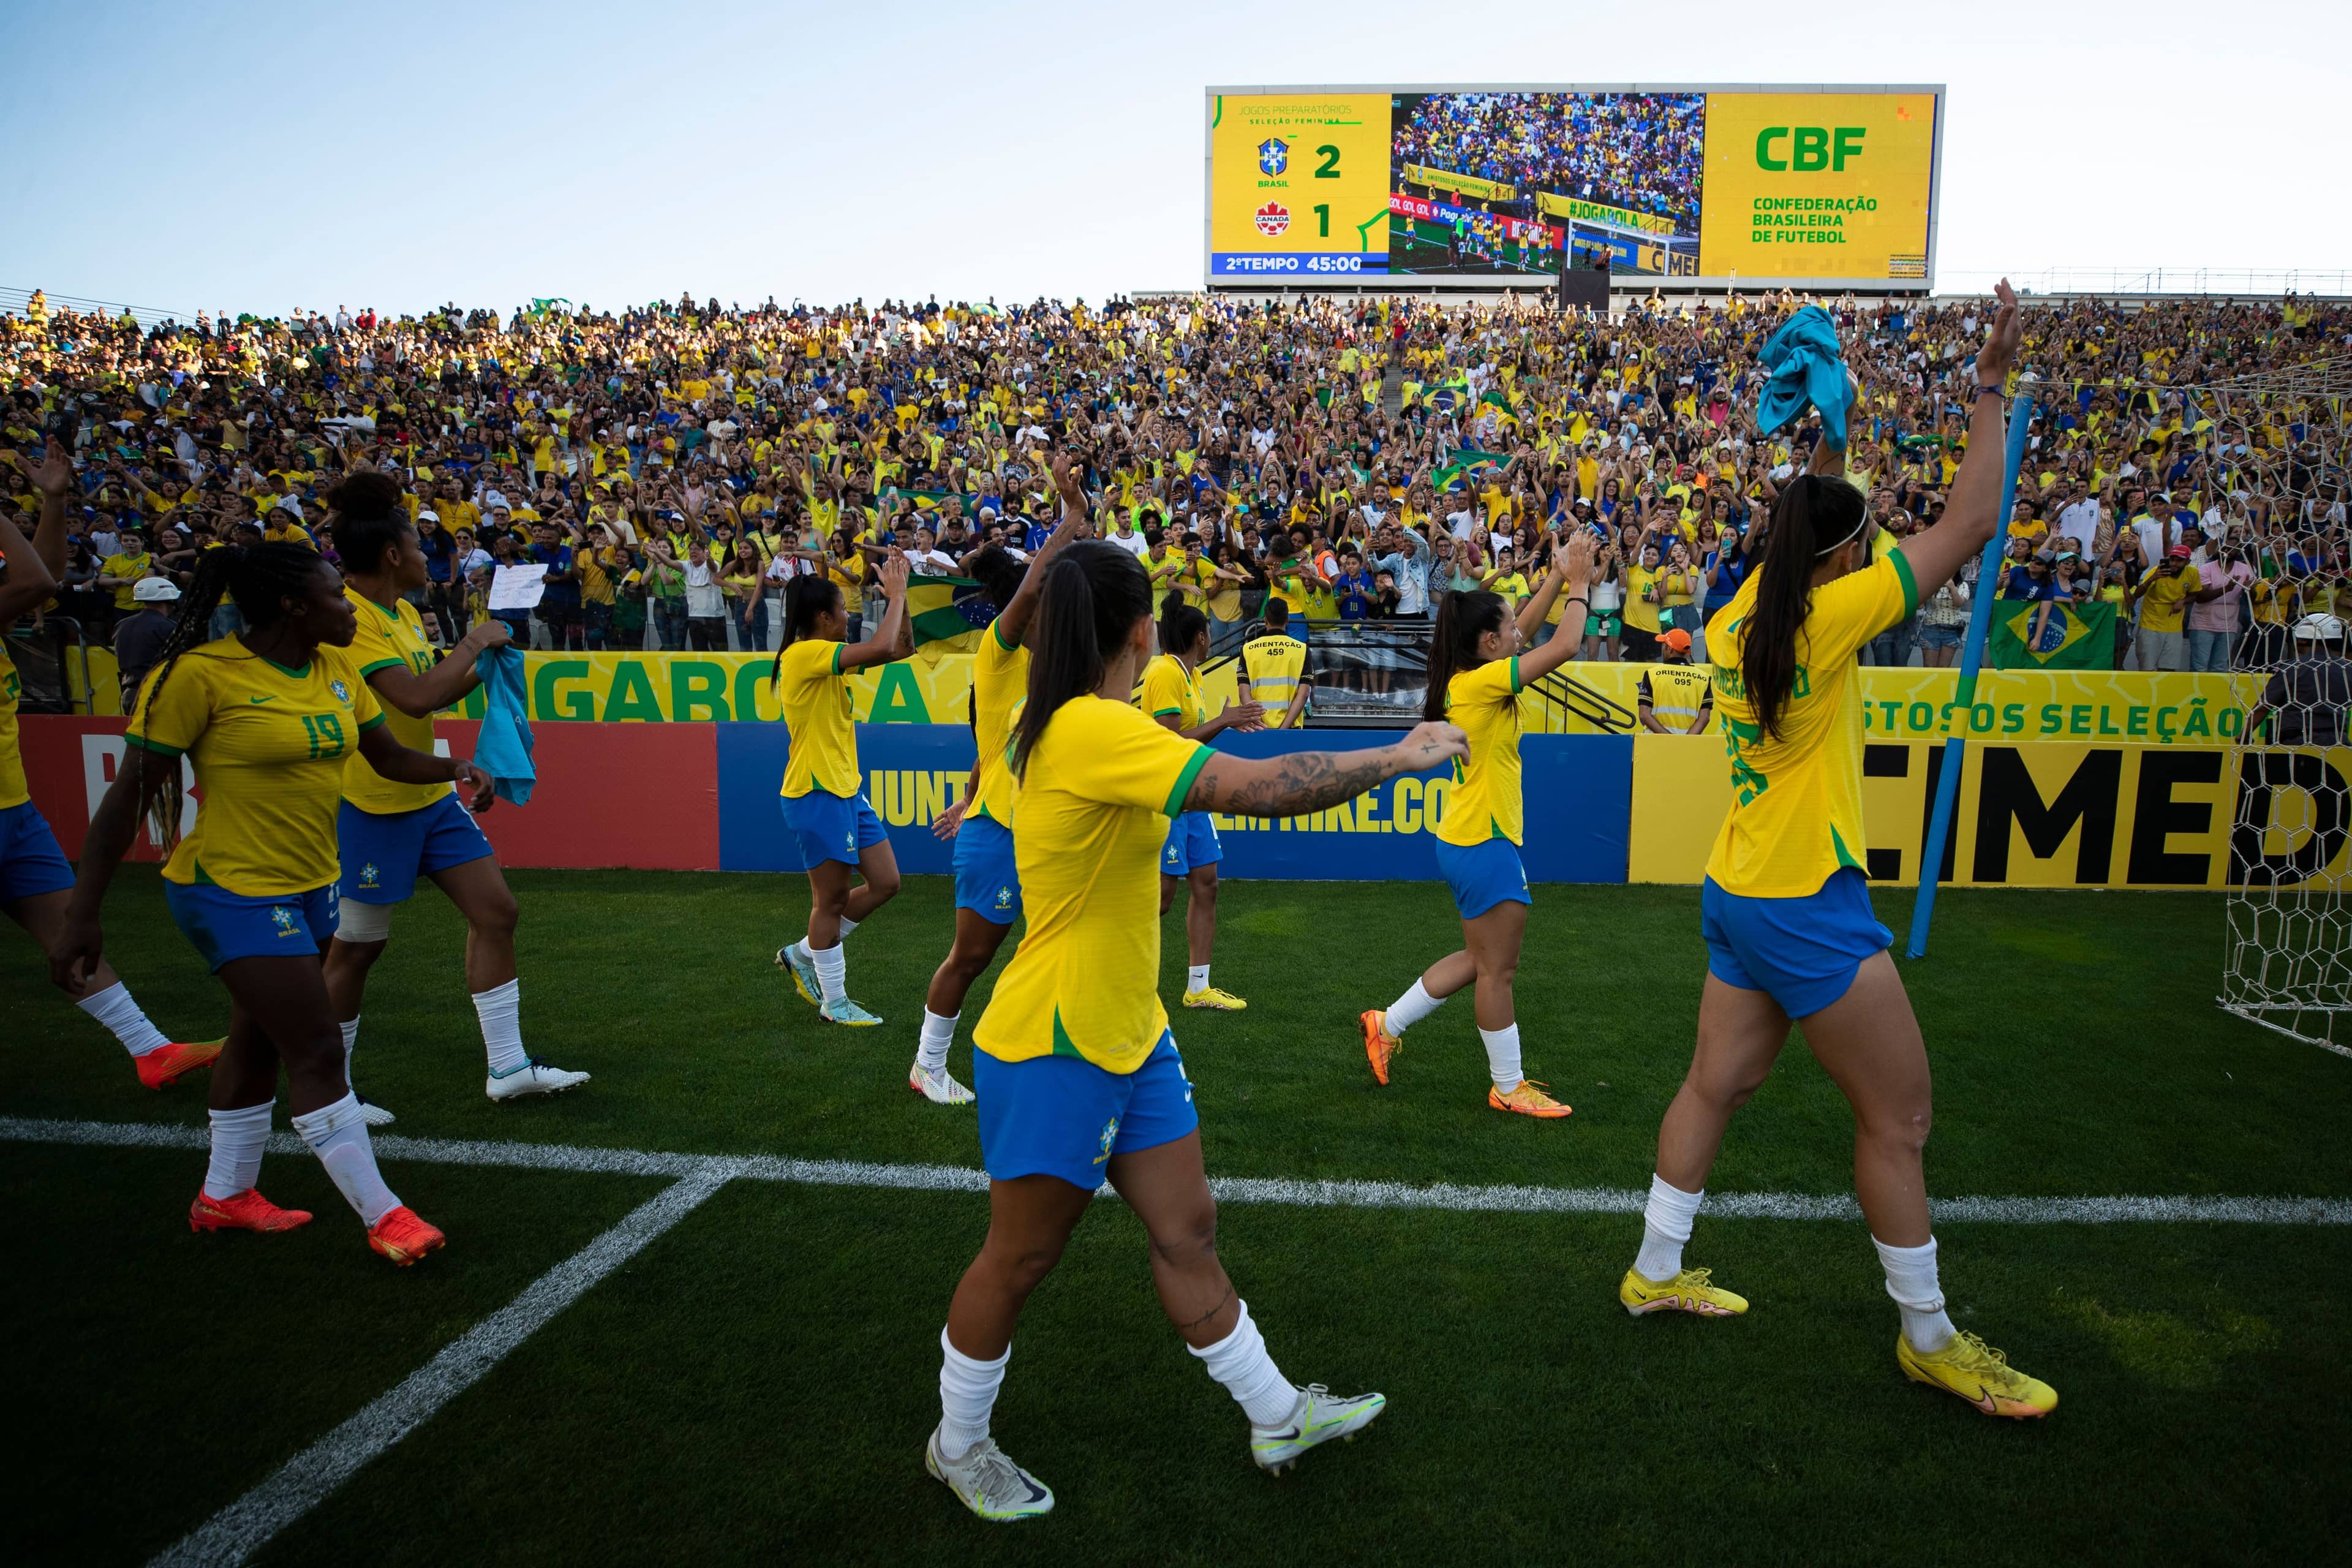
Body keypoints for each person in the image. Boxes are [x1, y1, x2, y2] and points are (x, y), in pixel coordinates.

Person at [925, 539, 1468, 1520]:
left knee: (1188, 1229)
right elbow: (1255, 788)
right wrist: (1399, 751)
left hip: (1130, 1032)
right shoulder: (1089, 727)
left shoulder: (1083, 721)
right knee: (1020, 1259)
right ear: (1139, 631)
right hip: (1059, 1040)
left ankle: (1275, 1413)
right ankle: (957, 1444)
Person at [1615, 282, 2057, 1420]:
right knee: (1899, 1120)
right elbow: (1970, 524)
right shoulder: (1832, 621)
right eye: (1864, 541)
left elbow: (1818, 522)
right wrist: (1991, 388)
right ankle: (1931, 1338)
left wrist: (1836, 430)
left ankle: (1653, 1272)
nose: (1876, 547)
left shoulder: (1743, 618)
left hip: (1739, 889)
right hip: (1806, 899)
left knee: (1717, 1083)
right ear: (1841, 565)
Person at [51, 540, 494, 1264]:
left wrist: (456, 766)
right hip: (227, 889)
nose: (349, 606)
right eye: (334, 595)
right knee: (317, 1043)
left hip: (310, 886)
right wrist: (82, 913)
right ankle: (385, 1216)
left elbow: (386, 758)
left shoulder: (336, 671)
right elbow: (127, 799)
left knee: (256, 1037)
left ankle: (224, 1195)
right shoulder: (201, 676)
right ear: (292, 605)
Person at [317, 471, 589, 1125]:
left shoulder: (403, 612)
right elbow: (412, 697)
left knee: (497, 911)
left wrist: (489, 660)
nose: (424, 554)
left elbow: (435, 685)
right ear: (392, 554)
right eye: (417, 543)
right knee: (356, 948)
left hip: (429, 794)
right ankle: (327, 1093)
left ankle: (509, 1068)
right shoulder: (352, 621)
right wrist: (474, 642)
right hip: (372, 804)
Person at [1359, 529, 1596, 1117]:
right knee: (1497, 971)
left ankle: (1384, 1025)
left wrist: (1556, 578)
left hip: (1469, 837)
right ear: (1490, 641)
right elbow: (1563, 644)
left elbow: (1530, 629)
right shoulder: (1486, 680)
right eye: (1510, 629)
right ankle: (1508, 1087)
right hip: (1483, 839)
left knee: (1476, 960)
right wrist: (1582, 585)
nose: (1521, 633)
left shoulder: (1474, 671)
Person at [9, 442, 219, 1087]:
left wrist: (51, 499)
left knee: (68, 931)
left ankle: (148, 1048)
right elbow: (41, 581)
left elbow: (43, 576)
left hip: (11, 807)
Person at [914, 456, 1088, 1106]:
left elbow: (994, 750)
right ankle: (929, 1063)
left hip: (1033, 830)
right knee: (971, 957)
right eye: (1037, 609)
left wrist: (968, 796)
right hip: (1003, 836)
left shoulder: (1044, 670)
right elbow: (1036, 584)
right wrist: (1071, 519)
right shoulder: (999, 650)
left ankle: (1047, 1052)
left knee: (1054, 947)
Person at [772, 555, 912, 1025]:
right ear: (822, 618)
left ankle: (802, 952)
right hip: (816, 791)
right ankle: (836, 1003)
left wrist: (905, 598)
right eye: (843, 609)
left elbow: (898, 649)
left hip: (845, 789)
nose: (849, 615)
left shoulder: (823, 655)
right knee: (829, 903)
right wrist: (893, 596)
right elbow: (881, 645)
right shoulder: (804, 653)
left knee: (887, 882)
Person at [1144, 601, 1265, 1011]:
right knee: (1161, 898)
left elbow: (1190, 738)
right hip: (1168, 797)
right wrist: (1223, 721)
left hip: (1193, 794)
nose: (1211, 638)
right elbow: (1168, 743)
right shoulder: (1163, 672)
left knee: (1207, 884)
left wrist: (1223, 721)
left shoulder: (1190, 673)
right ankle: (1102, 966)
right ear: (1200, 636)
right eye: (1209, 632)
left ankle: (1198, 988)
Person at [115, 576, 182, 709]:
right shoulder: (168, 627)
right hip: (158, 693)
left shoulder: (122, 625)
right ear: (170, 600)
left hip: (130, 695)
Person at [1239, 602, 1310, 729]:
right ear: (1287, 620)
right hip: (1291, 729)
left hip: (1256, 728)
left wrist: (1261, 725)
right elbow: (1303, 695)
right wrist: (1282, 730)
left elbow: (1244, 693)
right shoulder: (1302, 649)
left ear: (1265, 620)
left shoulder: (1248, 649)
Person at [1637, 628, 1713, 733]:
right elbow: (1705, 718)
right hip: (1688, 746)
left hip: (1655, 743)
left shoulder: (1652, 674)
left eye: (1664, 646)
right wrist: (1684, 741)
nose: (1663, 649)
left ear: (1670, 649)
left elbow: (1644, 714)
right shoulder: (1703, 678)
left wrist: (1669, 738)